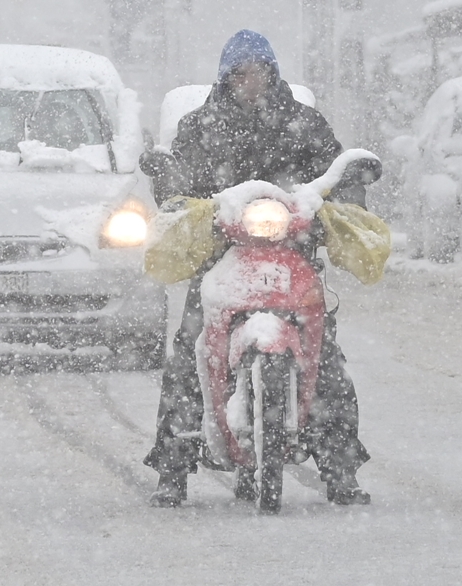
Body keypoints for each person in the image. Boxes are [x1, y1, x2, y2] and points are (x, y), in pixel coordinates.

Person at [141, 29, 371, 507]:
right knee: (188, 355)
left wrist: (343, 190)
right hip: (219, 259)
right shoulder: (200, 126)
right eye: (239, 73)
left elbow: (332, 173)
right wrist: (173, 185)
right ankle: (172, 468)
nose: (250, 81)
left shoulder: (304, 123)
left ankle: (341, 468)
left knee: (326, 358)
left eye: (259, 71)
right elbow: (179, 183)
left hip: (294, 257)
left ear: (274, 73)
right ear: (225, 78)